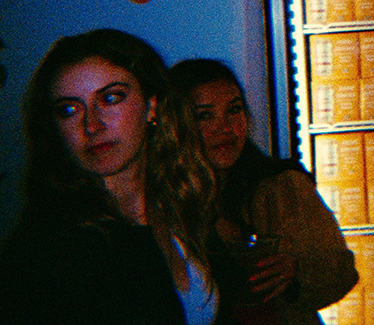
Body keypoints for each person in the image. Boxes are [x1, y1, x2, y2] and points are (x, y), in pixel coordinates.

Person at [0, 28, 219, 325]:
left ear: (151, 105)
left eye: (111, 98)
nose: (92, 125)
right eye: (69, 110)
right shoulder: (52, 248)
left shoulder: (175, 203)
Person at [167, 58, 358, 325]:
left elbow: (341, 270)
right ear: (175, 125)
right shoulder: (159, 201)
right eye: (205, 115)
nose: (225, 127)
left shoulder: (280, 187)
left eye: (234, 110)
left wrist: (297, 271)